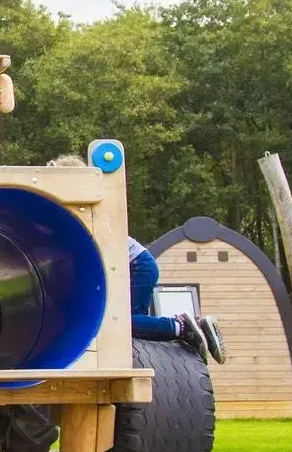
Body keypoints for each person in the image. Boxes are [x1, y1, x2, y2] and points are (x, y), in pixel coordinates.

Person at [46, 154, 227, 364]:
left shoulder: (86, 210)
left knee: (120, 324)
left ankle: (181, 326)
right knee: (136, 333)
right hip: (138, 263)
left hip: (136, 265)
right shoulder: (79, 212)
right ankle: (197, 329)